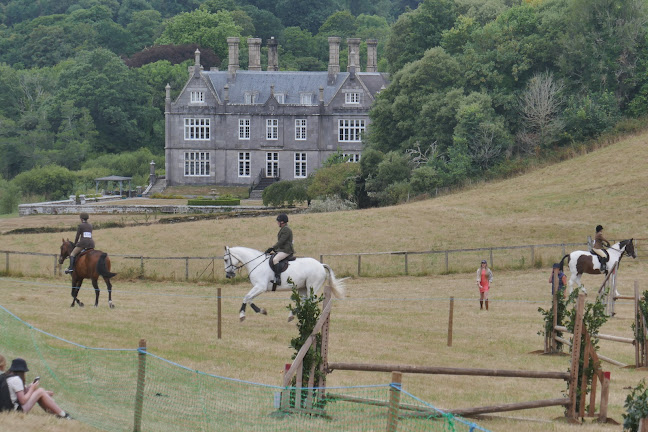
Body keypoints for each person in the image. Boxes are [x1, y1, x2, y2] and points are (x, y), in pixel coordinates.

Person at [3, 358, 70, 419]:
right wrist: (32, 389)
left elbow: (17, 395)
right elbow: (23, 401)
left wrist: (30, 389)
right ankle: (63, 415)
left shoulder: (8, 377)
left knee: (41, 392)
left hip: (11, 408)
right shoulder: (16, 380)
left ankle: (56, 414)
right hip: (16, 410)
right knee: (40, 391)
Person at [265, 213, 294, 285]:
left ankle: (278, 279)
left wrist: (272, 248)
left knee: (275, 259)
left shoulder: (286, 230)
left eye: (278, 221)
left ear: (282, 222)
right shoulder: (283, 229)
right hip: (282, 249)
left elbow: (281, 241)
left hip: (286, 250)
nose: (277, 223)